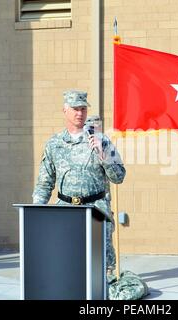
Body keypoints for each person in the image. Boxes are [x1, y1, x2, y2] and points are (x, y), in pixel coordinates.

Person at [32, 89, 126, 273]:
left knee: (102, 269)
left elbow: (119, 176)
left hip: (97, 211)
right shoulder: (54, 144)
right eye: (75, 108)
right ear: (64, 111)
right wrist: (35, 212)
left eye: (83, 108)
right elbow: (44, 183)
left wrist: (103, 154)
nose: (79, 113)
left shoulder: (101, 141)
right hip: (65, 212)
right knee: (64, 262)